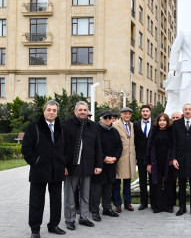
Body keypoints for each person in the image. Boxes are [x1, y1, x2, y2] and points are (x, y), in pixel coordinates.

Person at [22, 100, 67, 238]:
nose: (51, 112)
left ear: (57, 112)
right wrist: (36, 162)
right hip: (39, 170)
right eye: (49, 110)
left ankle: (53, 225)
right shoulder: (33, 127)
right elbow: (26, 149)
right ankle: (35, 229)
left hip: (57, 170)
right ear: (44, 111)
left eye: (54, 110)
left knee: (56, 200)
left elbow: (67, 148)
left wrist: (64, 164)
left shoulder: (61, 128)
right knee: (36, 201)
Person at [63, 101, 102, 230]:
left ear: (87, 112)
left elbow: (98, 147)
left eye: (85, 110)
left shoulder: (93, 126)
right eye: (80, 110)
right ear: (75, 111)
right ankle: (70, 219)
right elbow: (62, 148)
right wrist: (63, 166)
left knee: (86, 195)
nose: (83, 112)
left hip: (88, 166)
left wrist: (98, 165)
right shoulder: (66, 125)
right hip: (71, 166)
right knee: (70, 196)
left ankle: (84, 218)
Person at [90, 110, 122, 222]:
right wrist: (104, 158)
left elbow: (119, 147)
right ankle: (94, 211)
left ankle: (107, 208)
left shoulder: (114, 131)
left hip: (111, 165)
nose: (108, 119)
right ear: (100, 119)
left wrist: (115, 158)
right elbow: (92, 148)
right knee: (96, 191)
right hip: (98, 165)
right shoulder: (95, 131)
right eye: (105, 117)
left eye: (110, 117)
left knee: (108, 189)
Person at [146, 113, 175, 213]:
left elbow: (174, 146)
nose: (162, 122)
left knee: (168, 184)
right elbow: (148, 148)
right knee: (156, 184)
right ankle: (157, 206)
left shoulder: (171, 131)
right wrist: (148, 163)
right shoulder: (153, 131)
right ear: (157, 122)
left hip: (168, 162)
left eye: (164, 120)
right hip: (155, 162)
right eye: (160, 120)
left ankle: (168, 205)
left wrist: (172, 158)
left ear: (167, 122)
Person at [113, 107, 137, 213]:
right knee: (117, 182)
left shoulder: (132, 125)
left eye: (129, 114)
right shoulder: (115, 125)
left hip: (130, 158)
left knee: (128, 183)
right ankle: (118, 204)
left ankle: (128, 203)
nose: (127, 116)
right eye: (125, 114)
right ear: (121, 114)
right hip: (120, 157)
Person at [133, 105, 152, 210]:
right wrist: (135, 156)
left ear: (150, 112)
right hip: (140, 157)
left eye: (147, 111)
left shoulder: (155, 123)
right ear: (141, 113)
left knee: (154, 180)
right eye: (143, 111)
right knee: (142, 180)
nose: (145, 113)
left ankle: (153, 202)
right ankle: (143, 203)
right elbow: (134, 141)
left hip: (152, 157)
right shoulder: (136, 124)